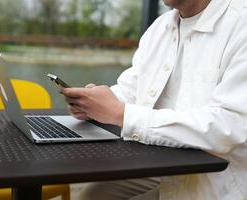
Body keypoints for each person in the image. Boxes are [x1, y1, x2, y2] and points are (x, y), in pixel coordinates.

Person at [61, 0, 247, 199]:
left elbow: (231, 126)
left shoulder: (240, 24)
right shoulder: (160, 27)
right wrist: (93, 104)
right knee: (93, 195)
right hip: (166, 163)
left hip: (221, 179)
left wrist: (120, 114)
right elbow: (131, 89)